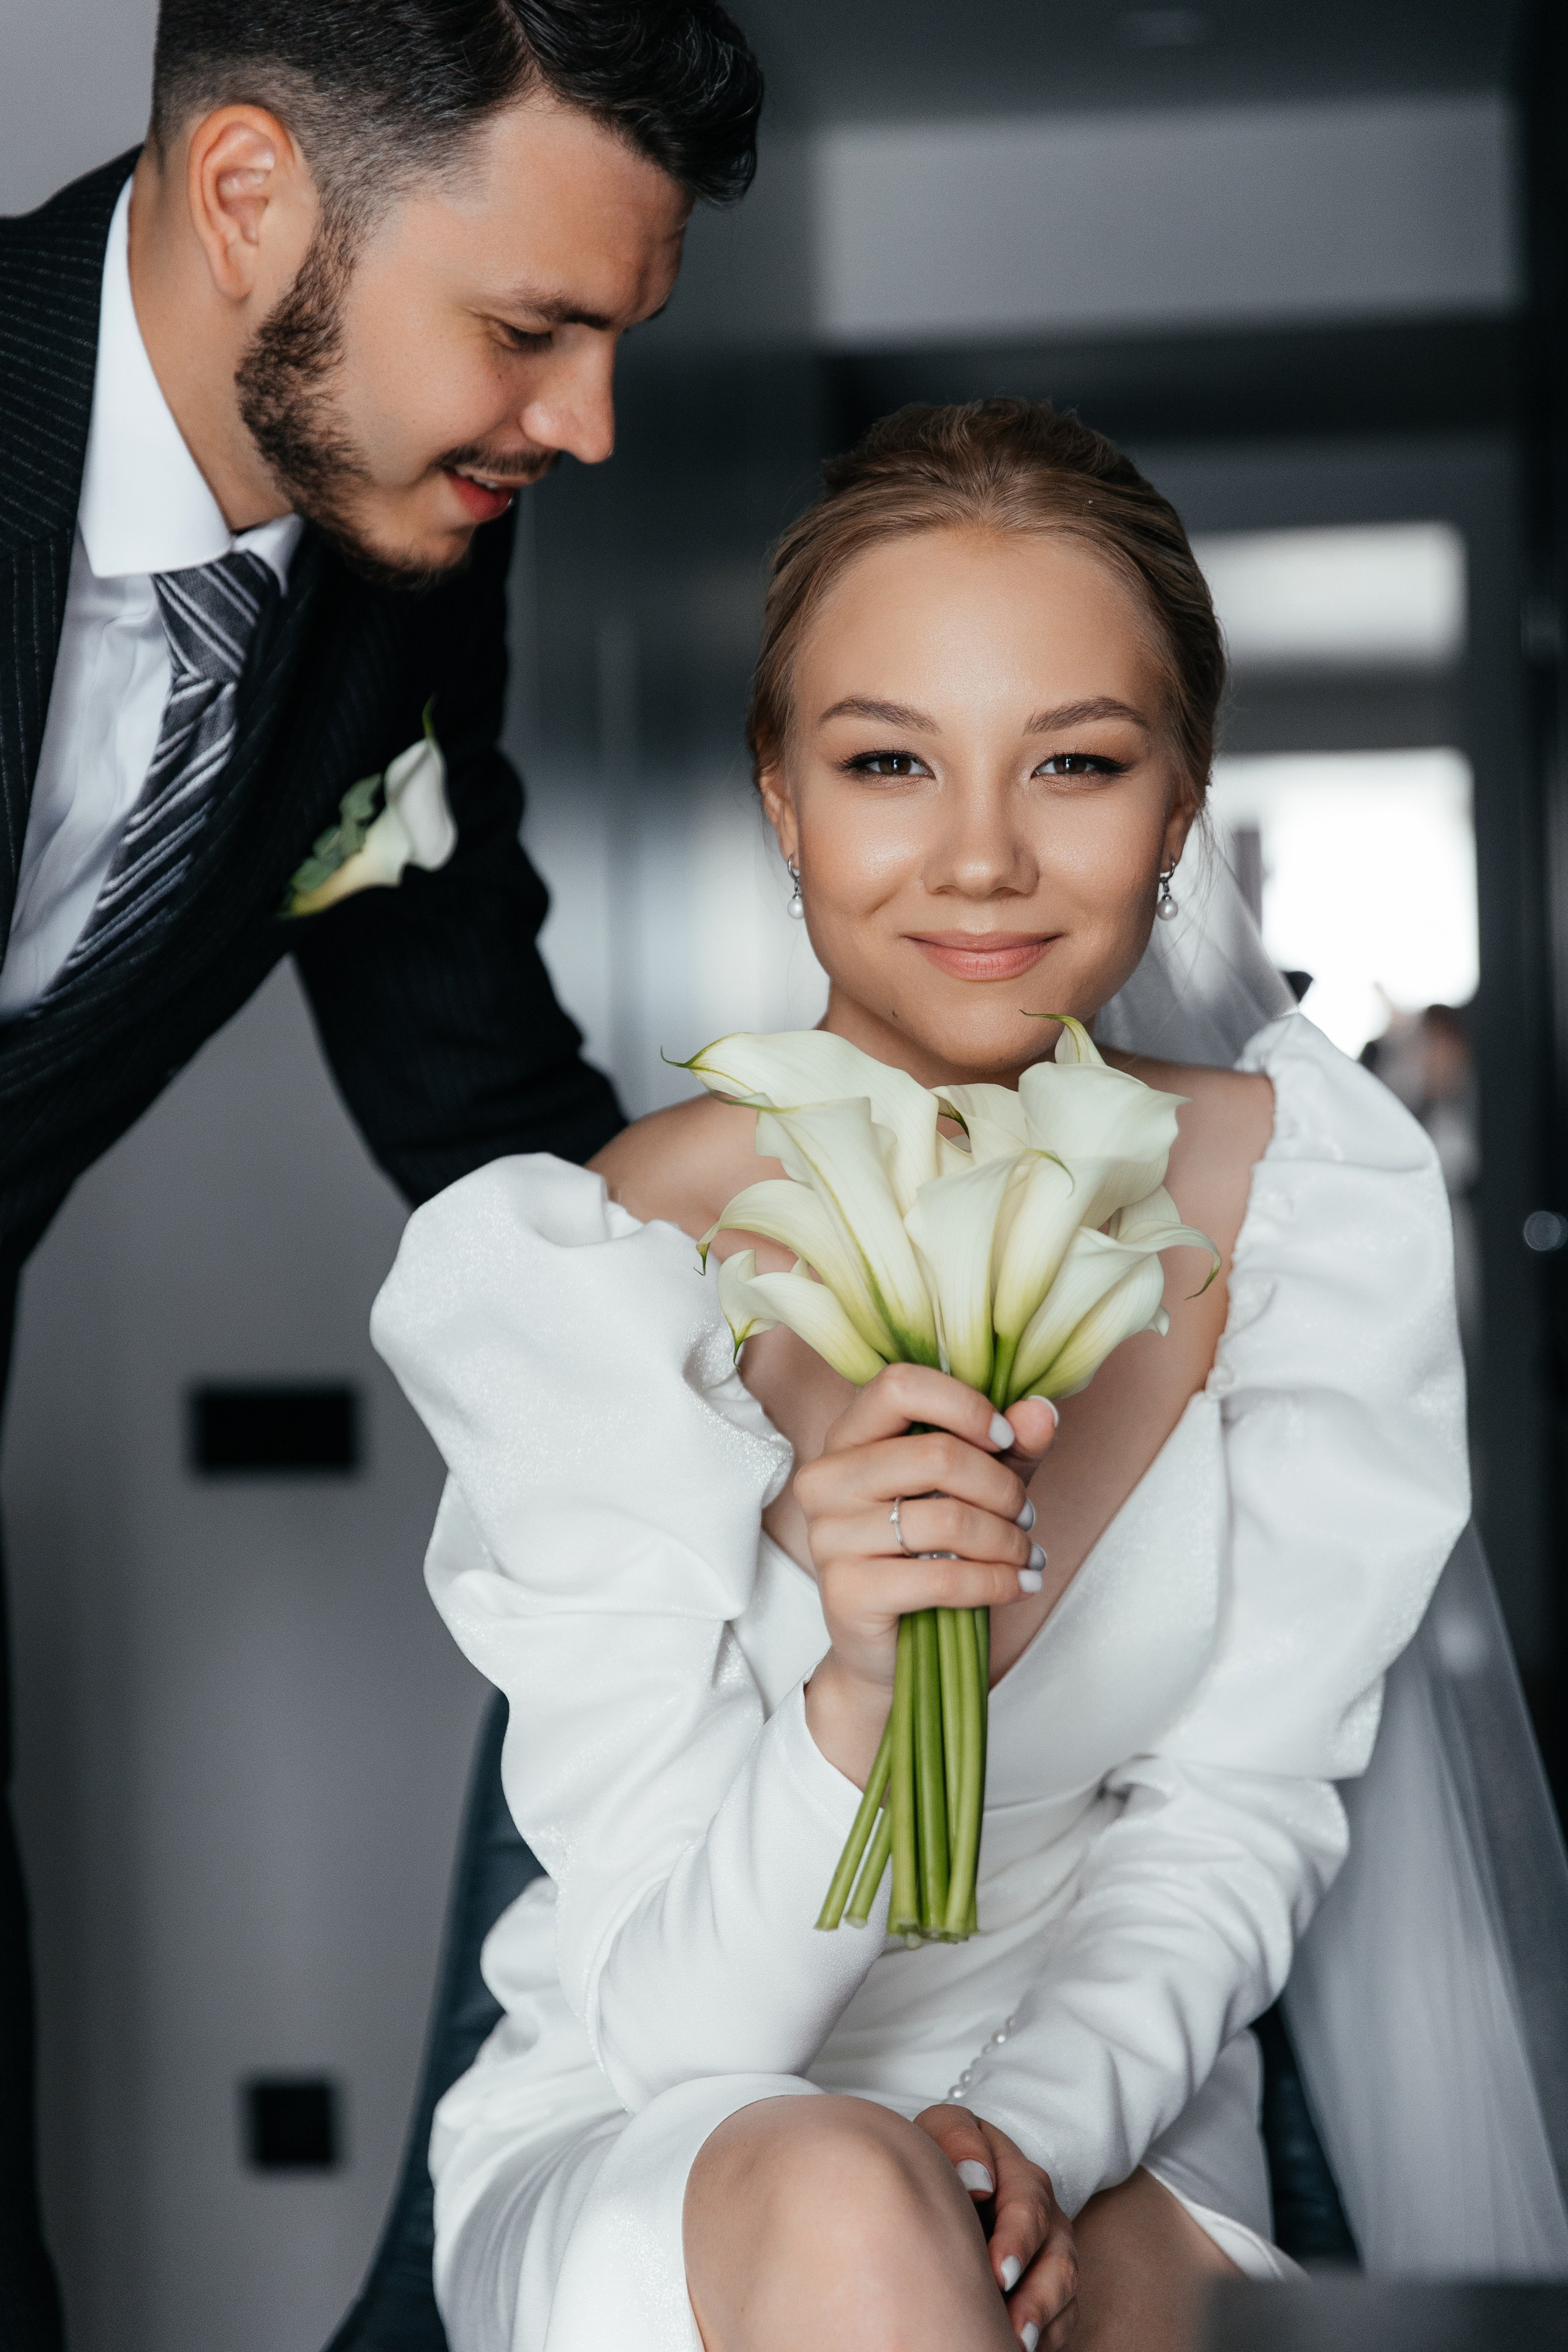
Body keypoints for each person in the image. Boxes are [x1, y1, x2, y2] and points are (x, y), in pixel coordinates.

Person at [371, 401, 1568, 2351]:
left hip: (1116, 2100)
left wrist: (1028, 2118)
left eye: (1078, 764)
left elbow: (1233, 1816)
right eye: (887, 762)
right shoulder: (585, 1269)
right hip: (660, 2130)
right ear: (779, 793)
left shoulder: (1306, 1205)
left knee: (1002, 2258)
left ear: (1180, 807)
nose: (984, 859)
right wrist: (863, 1683)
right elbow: (679, 2029)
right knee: (855, 2207)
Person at [0, 2, 762, 2339]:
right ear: (251, 197)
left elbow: (475, 1077)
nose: (591, 425)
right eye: (531, 331)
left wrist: (815, 1271)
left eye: (617, 340)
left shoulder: (403, 558)